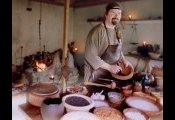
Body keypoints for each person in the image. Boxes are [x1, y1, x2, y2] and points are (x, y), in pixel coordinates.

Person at [84, 1, 133, 84]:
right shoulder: (97, 31)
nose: (116, 15)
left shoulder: (118, 31)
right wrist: (110, 67)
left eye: (119, 13)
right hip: (95, 75)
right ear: (106, 15)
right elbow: (90, 55)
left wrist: (124, 61)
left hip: (111, 73)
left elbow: (118, 51)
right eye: (113, 12)